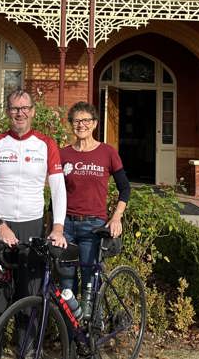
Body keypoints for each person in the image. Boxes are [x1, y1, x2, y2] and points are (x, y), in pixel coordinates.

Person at [0, 89, 67, 339]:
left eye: (25, 108)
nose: (20, 113)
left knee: (29, 293)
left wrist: (58, 227)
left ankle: (26, 351)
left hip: (33, 225)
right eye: (15, 108)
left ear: (33, 111)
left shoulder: (46, 144)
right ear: (8, 112)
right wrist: (0, 224)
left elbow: (58, 189)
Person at [59, 101, 130, 299]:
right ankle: (71, 330)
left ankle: (94, 328)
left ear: (95, 123)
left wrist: (116, 217)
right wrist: (52, 226)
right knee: (66, 285)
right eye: (76, 121)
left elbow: (125, 187)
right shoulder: (63, 154)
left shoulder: (107, 153)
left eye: (86, 120)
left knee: (91, 284)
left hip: (93, 226)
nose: (81, 125)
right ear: (71, 124)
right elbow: (57, 193)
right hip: (66, 226)